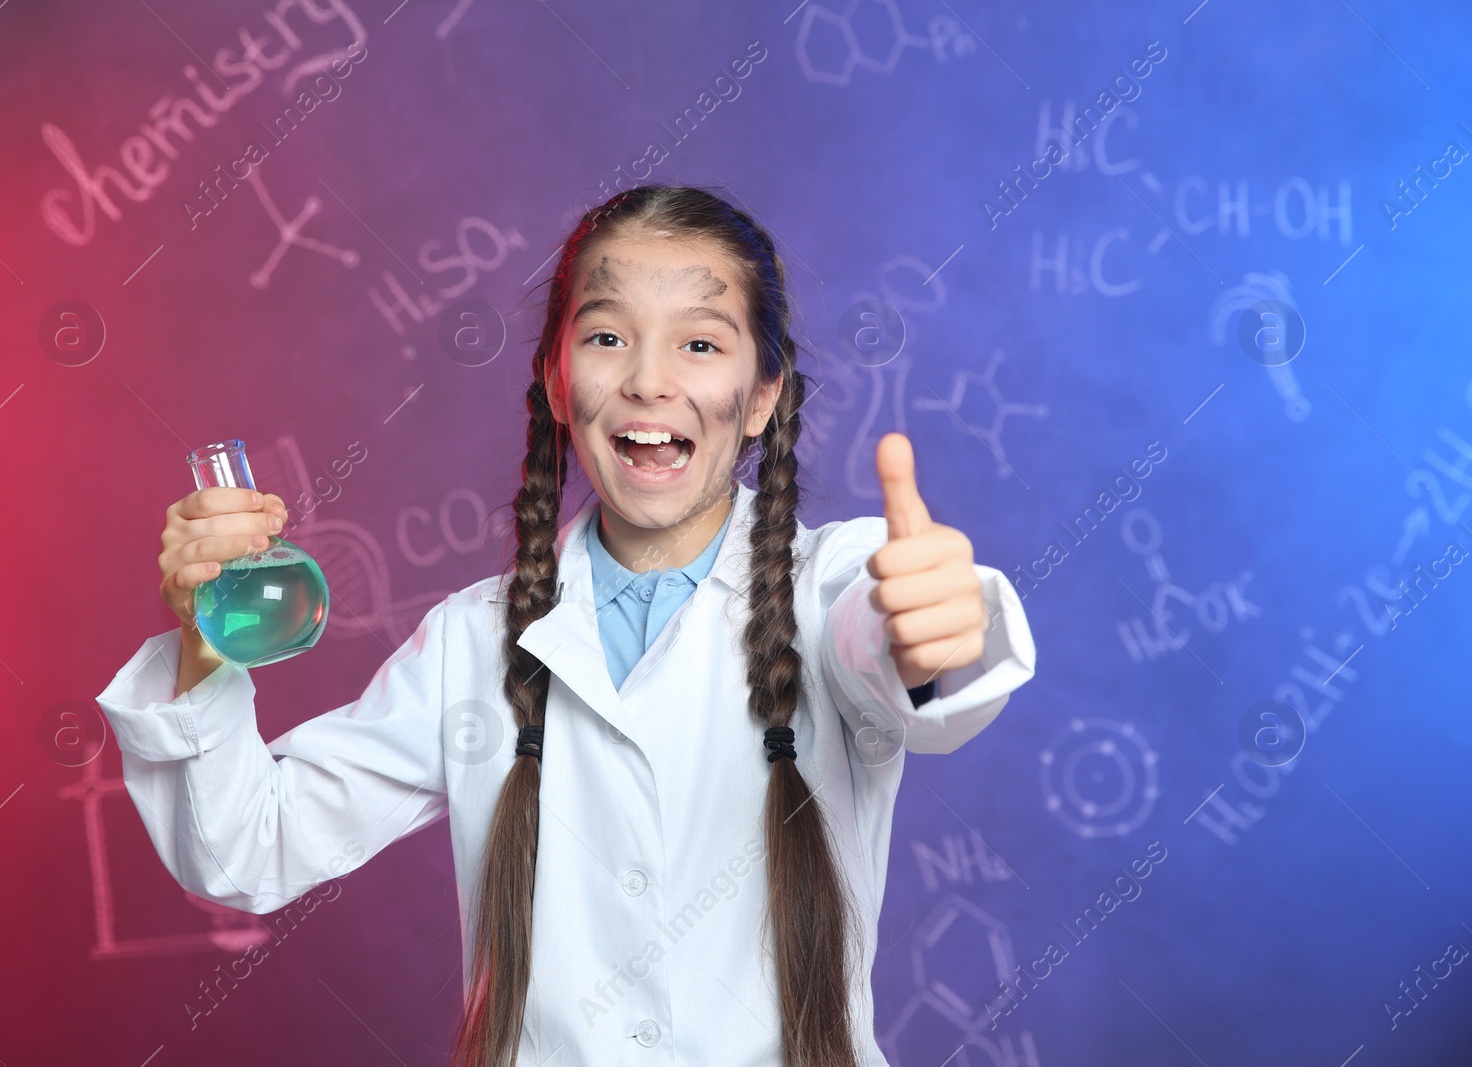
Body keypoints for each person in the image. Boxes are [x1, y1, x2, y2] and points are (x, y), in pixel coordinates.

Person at [96, 184, 1036, 1067]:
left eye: (700, 345)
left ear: (762, 398)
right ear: (554, 381)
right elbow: (245, 850)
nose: (649, 382)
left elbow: (891, 641)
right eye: (606, 337)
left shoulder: (833, 585)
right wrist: (206, 641)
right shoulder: (473, 641)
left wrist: (929, 630)